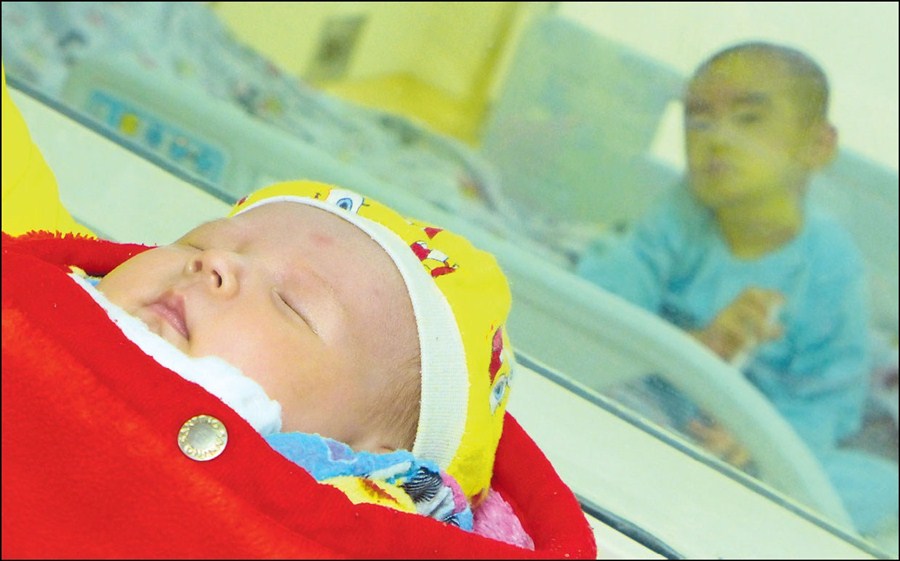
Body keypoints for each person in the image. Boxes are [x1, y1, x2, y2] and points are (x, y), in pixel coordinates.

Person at [1, 63, 597, 558]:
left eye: (291, 303)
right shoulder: (42, 283)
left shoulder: (350, 514)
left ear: (377, 464)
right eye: (196, 245)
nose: (216, 266)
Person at [576, 41, 898, 535]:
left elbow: (828, 401)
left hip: (762, 431)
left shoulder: (833, 268)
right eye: (698, 121)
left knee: (872, 485)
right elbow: (605, 309)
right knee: (596, 404)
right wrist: (699, 346)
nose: (717, 139)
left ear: (818, 145)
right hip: (666, 393)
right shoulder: (682, 213)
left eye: (748, 119)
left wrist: (758, 440)